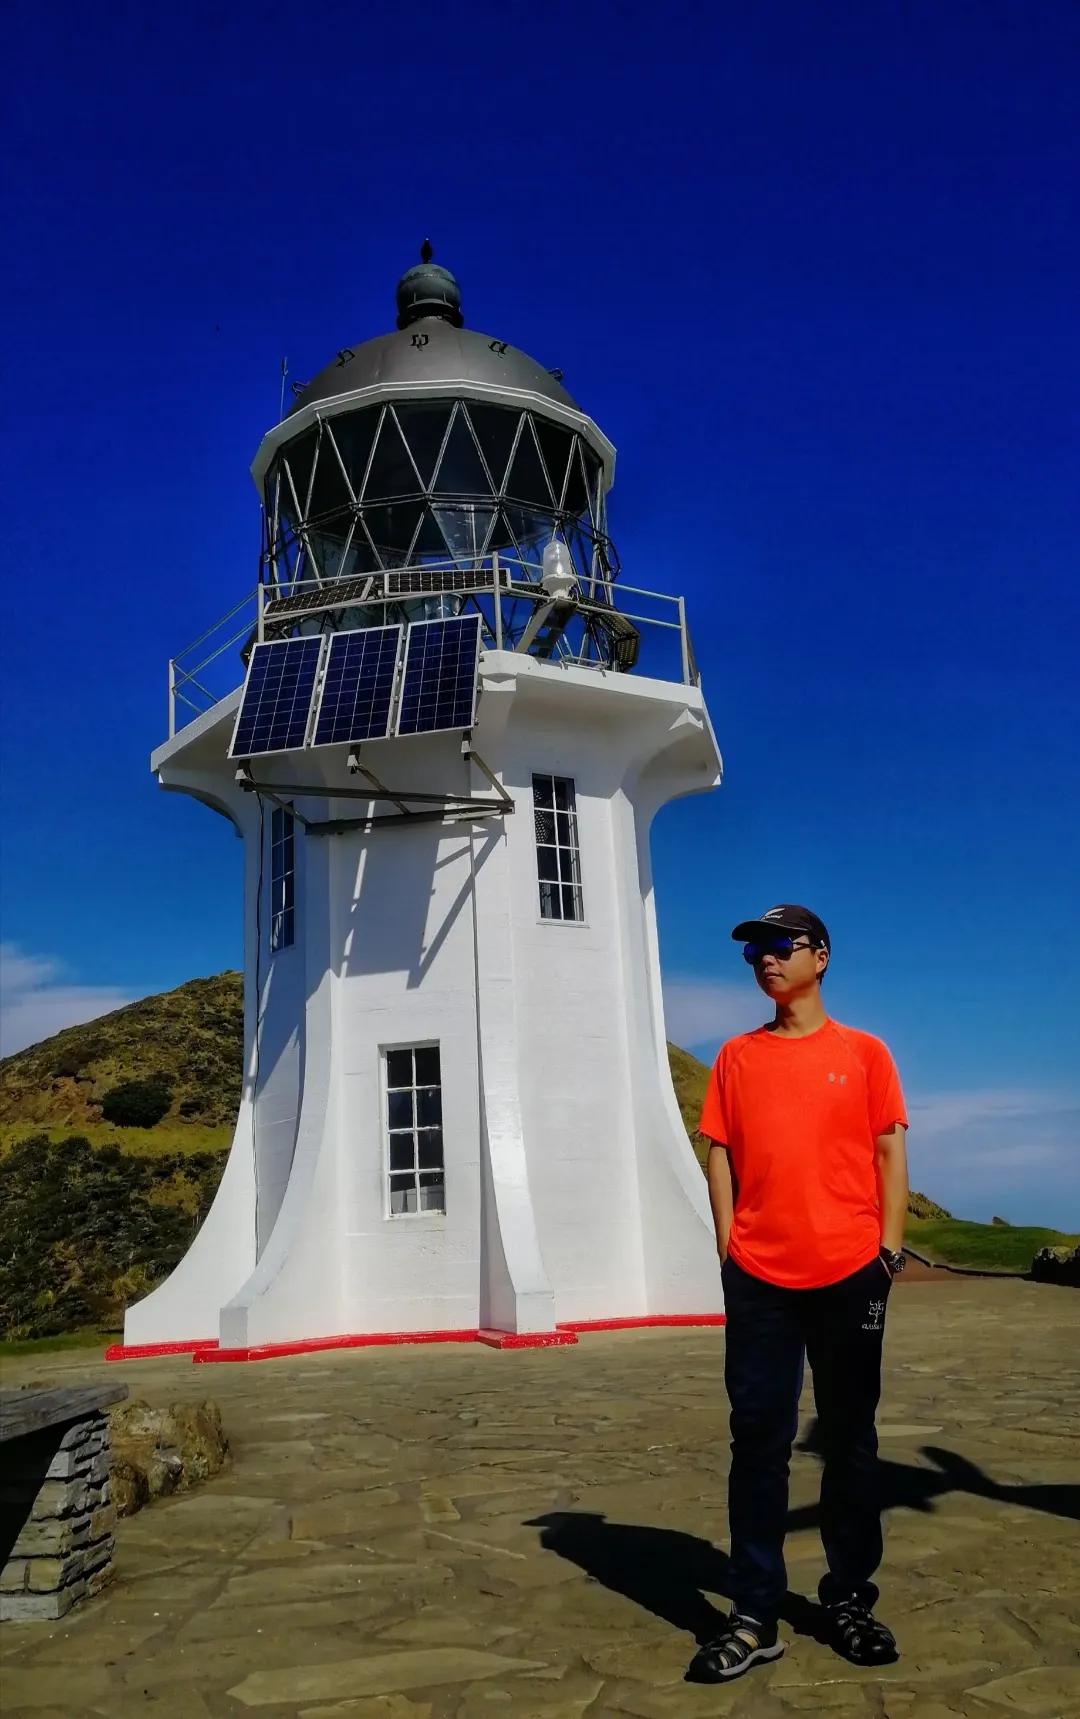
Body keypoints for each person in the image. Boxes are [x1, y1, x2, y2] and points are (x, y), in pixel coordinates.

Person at [687, 905, 909, 1685]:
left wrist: (887, 1252)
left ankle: (848, 1599)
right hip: (759, 1279)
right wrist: (729, 1247)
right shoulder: (736, 1057)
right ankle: (754, 1614)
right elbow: (719, 1153)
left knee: (849, 1438)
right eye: (754, 949)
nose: (765, 958)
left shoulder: (865, 1053)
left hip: (851, 1273)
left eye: (780, 945)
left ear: (821, 955)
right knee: (758, 1442)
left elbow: (888, 1151)